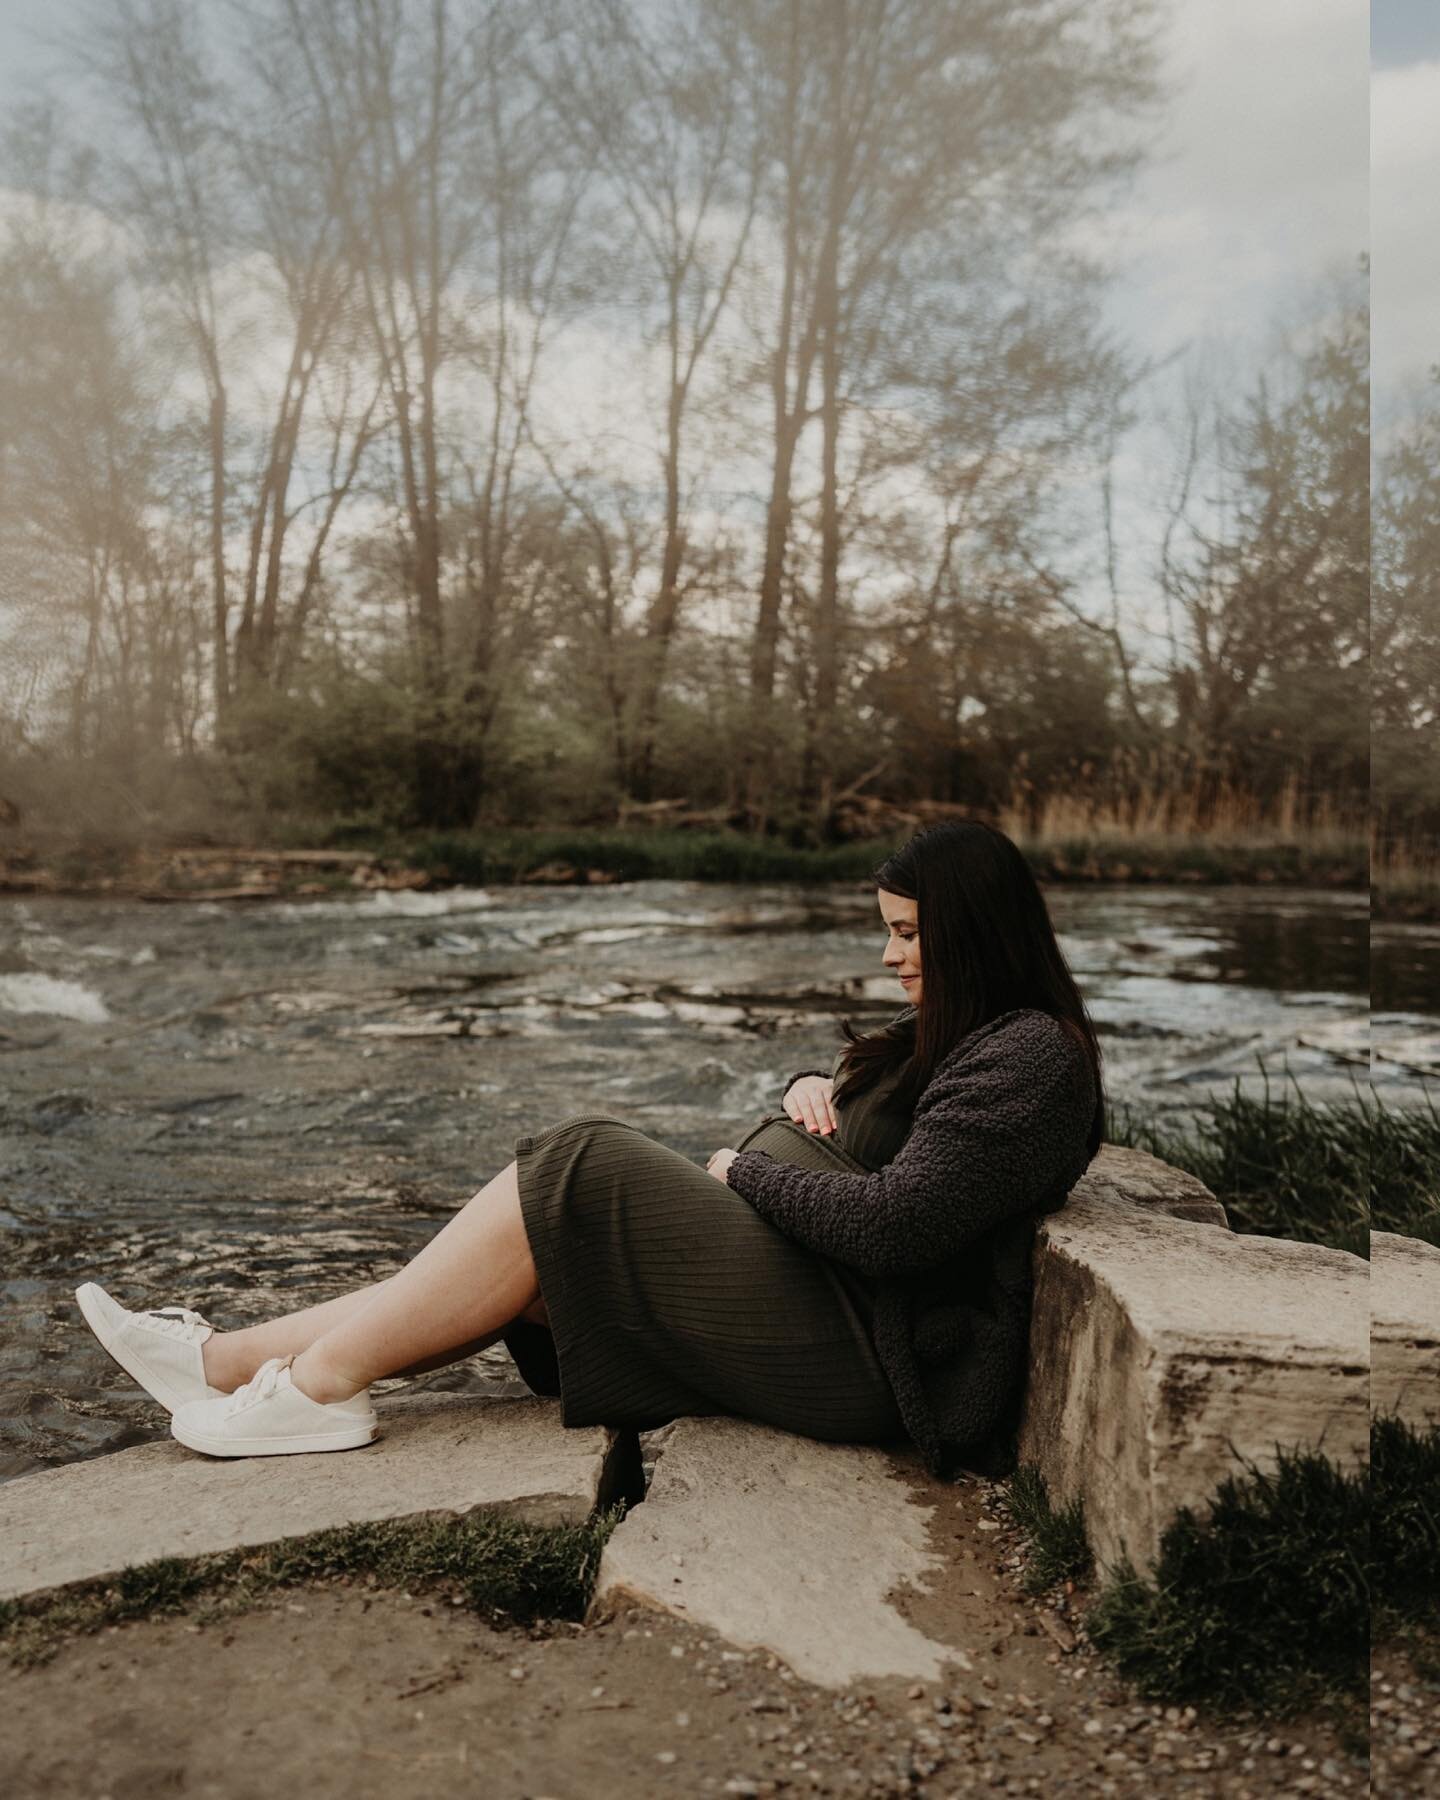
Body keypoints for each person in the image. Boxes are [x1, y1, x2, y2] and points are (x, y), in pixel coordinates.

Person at [74, 819, 1104, 1479]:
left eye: (910, 934)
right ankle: (232, 1364)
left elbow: (900, 1224)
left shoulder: (1031, 1059)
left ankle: (314, 1392)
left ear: (972, 933)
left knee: (579, 1162)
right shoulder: (971, 1038)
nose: (889, 954)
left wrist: (742, 1167)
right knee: (530, 1264)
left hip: (881, 1354)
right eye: (888, 930)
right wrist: (817, 1090)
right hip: (835, 1302)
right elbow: (889, 1142)